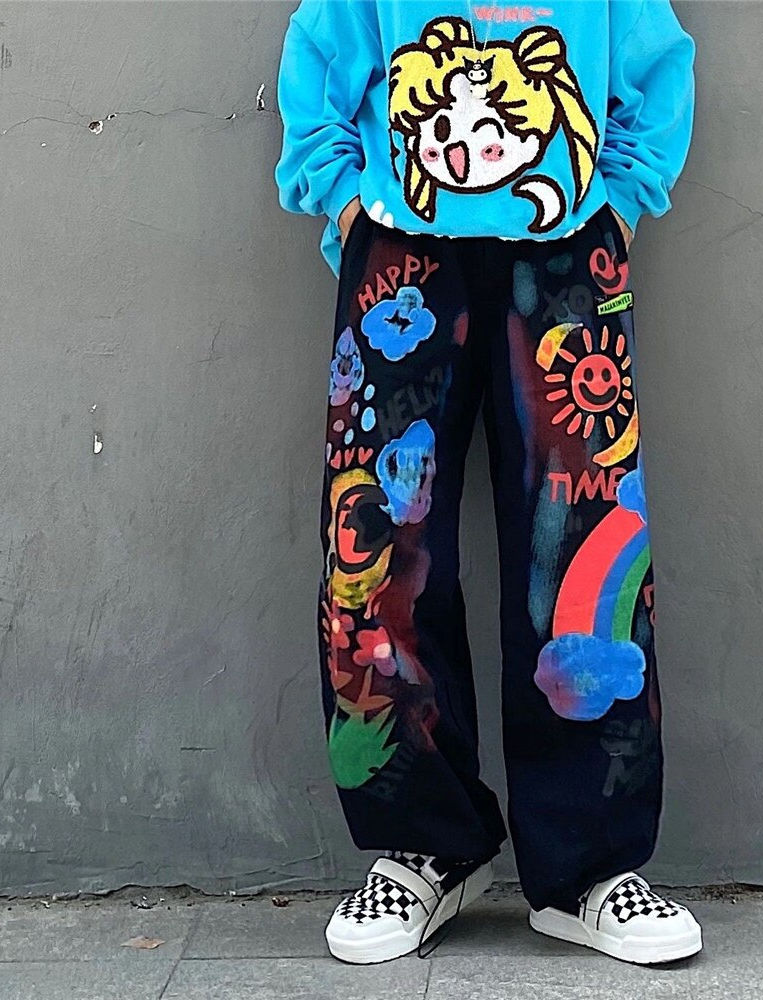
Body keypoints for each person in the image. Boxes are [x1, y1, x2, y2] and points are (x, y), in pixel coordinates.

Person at [274, 0, 699, 966]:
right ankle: (424, 844)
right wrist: (341, 195)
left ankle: (588, 867)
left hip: (567, 245)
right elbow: (323, 45)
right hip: (402, 250)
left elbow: (655, 54)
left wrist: (623, 196)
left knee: (586, 553)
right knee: (378, 549)